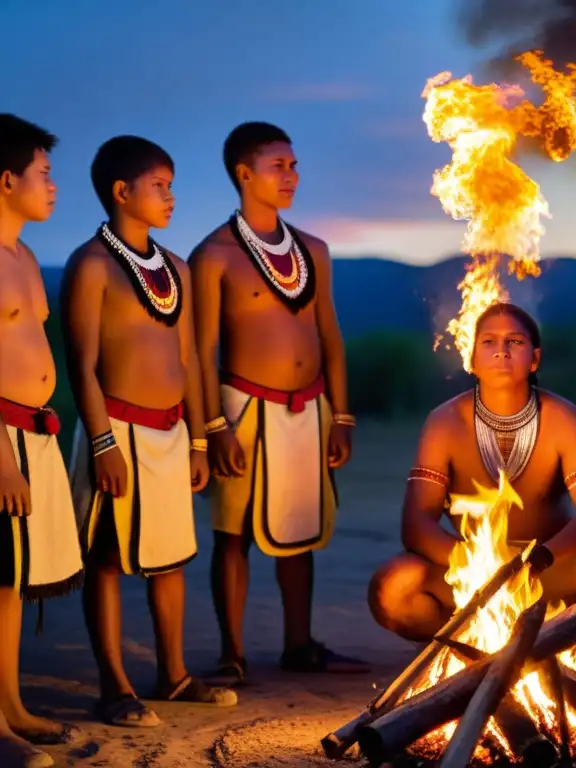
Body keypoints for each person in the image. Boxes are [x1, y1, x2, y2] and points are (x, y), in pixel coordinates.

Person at [367, 302, 576, 699]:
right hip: (471, 576)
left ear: (534, 359)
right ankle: (467, 657)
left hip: (547, 569)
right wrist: (475, 564)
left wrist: (540, 559)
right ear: (471, 358)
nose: (501, 350)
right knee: (393, 587)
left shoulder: (563, 418)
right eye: (489, 342)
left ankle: (575, 656)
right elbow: (416, 524)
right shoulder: (445, 422)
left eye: (515, 342)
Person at [62, 135, 237, 728]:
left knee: (170, 559)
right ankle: (114, 686)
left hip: (169, 433)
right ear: (122, 192)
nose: (171, 197)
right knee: (107, 559)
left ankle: (174, 675)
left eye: (171, 185)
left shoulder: (178, 269)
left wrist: (195, 438)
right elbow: (80, 365)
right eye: (159, 186)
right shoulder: (91, 266)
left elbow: (187, 357)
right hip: (116, 433)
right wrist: (103, 442)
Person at [190, 121, 364, 683]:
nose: (291, 176)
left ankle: (298, 644)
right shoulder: (213, 254)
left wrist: (341, 414)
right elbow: (201, 350)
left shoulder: (313, 248)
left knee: (298, 530)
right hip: (241, 408)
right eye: (278, 166)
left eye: (294, 165)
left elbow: (331, 336)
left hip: (308, 408)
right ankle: (231, 655)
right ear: (244, 173)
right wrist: (212, 426)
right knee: (233, 534)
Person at [0, 114, 85, 768]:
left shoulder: (25, 256)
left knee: (11, 582)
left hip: (35, 432)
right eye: (44, 173)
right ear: (7, 180)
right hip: (0, 439)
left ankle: (12, 707)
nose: (53, 185)